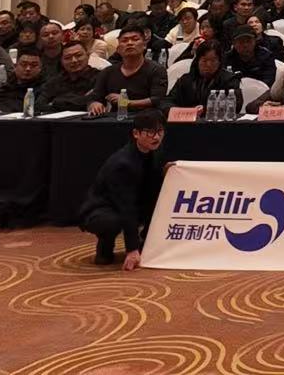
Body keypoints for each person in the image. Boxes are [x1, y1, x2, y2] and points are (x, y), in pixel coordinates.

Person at [80, 111, 167, 270]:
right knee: (112, 221)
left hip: (132, 202)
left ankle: (145, 244)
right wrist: (131, 249)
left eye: (160, 131)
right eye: (150, 132)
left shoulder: (155, 151)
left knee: (160, 204)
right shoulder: (123, 164)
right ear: (136, 134)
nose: (156, 137)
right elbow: (126, 206)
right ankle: (105, 246)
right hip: (102, 209)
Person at [90, 24, 167, 116]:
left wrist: (127, 102)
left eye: (135, 39)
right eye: (124, 40)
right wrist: (95, 104)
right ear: (118, 49)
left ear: (144, 45)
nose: (130, 43)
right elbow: (95, 97)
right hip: (116, 119)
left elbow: (158, 99)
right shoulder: (108, 72)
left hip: (147, 118)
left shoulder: (156, 69)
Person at [168, 43, 243, 109]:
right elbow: (167, 101)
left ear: (219, 62)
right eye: (204, 61)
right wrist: (176, 110)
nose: (208, 64)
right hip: (187, 119)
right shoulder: (185, 80)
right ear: (197, 61)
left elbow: (236, 104)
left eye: (213, 61)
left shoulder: (229, 80)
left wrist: (204, 109)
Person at [0, 49, 52, 114]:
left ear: (40, 69)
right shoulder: (0, 89)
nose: (28, 69)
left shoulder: (44, 91)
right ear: (15, 66)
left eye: (33, 65)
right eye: (24, 64)